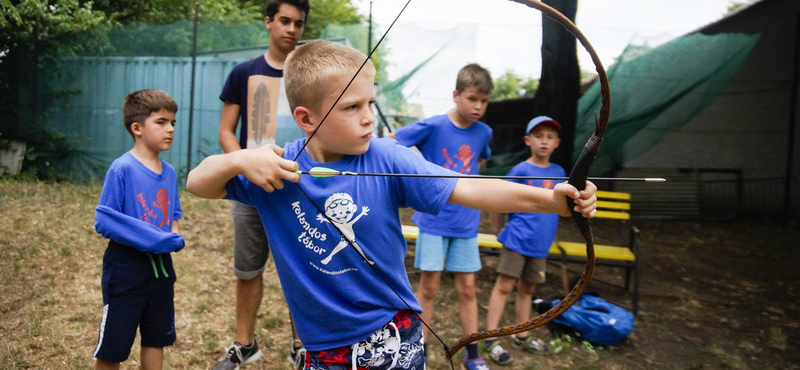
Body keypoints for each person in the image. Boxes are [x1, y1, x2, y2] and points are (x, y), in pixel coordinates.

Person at [186, 40, 597, 370]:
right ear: (306, 118)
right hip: (319, 347)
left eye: (370, 102)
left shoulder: (387, 156)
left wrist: (552, 200)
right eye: (351, 108)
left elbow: (468, 188)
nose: (368, 118)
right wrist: (238, 158)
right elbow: (197, 184)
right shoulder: (275, 168)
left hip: (390, 334)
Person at [214, 1, 309, 369]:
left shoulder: (310, 74)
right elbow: (226, 131)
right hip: (252, 191)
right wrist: (242, 169)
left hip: (300, 190)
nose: (292, 29)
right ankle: (244, 345)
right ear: (269, 22)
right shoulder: (243, 73)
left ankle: (302, 346)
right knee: (247, 269)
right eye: (284, 21)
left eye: (299, 23)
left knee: (301, 271)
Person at [390, 63, 493, 368]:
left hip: (466, 223)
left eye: (484, 101)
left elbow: (480, 162)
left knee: (468, 288)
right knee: (429, 288)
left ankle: (472, 355)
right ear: (456, 95)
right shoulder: (434, 125)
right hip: (434, 220)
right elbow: (394, 140)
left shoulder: (484, 132)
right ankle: (416, 352)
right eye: (472, 98)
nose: (478, 106)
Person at [92, 89, 185, 370]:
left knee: (156, 339)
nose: (170, 129)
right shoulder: (121, 169)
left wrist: (172, 237)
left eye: (173, 123)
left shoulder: (169, 173)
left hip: (161, 273)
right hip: (126, 273)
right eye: (161, 122)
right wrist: (153, 239)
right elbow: (104, 219)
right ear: (137, 128)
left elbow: (174, 217)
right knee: (114, 347)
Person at [484, 116, 564, 365]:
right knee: (505, 286)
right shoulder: (520, 170)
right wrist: (498, 228)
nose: (544, 141)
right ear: (528, 140)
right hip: (517, 240)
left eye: (550, 137)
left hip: (540, 245)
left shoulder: (559, 173)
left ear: (557, 143)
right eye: (539, 136)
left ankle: (522, 335)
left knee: (527, 290)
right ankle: (491, 338)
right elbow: (497, 198)